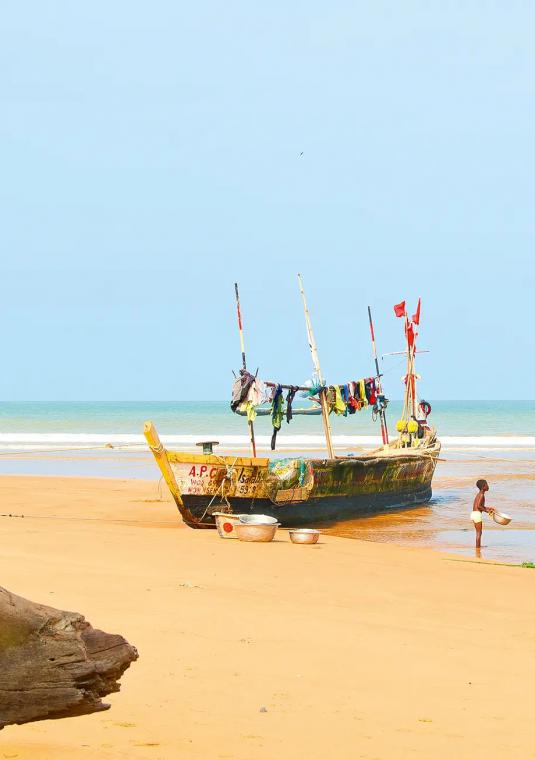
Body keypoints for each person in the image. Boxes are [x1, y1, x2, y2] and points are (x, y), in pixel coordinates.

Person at [471, 479, 495, 549]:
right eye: (487, 484)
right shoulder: (481, 495)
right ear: (483, 487)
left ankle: (478, 546)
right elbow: (479, 506)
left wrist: (488, 508)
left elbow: (479, 506)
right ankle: (478, 547)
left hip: (474, 514)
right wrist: (487, 511)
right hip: (477, 514)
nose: (488, 486)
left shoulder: (479, 494)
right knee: (479, 532)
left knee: (479, 532)